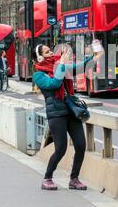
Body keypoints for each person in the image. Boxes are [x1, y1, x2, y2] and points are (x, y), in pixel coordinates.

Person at [32, 44, 103, 191]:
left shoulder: (60, 66)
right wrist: (62, 64)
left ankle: (74, 179)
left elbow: (80, 67)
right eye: (47, 52)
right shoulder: (38, 75)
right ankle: (47, 178)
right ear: (40, 57)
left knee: (81, 145)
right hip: (56, 115)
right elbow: (54, 83)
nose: (51, 52)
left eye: (50, 50)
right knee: (61, 149)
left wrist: (94, 57)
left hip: (71, 111)